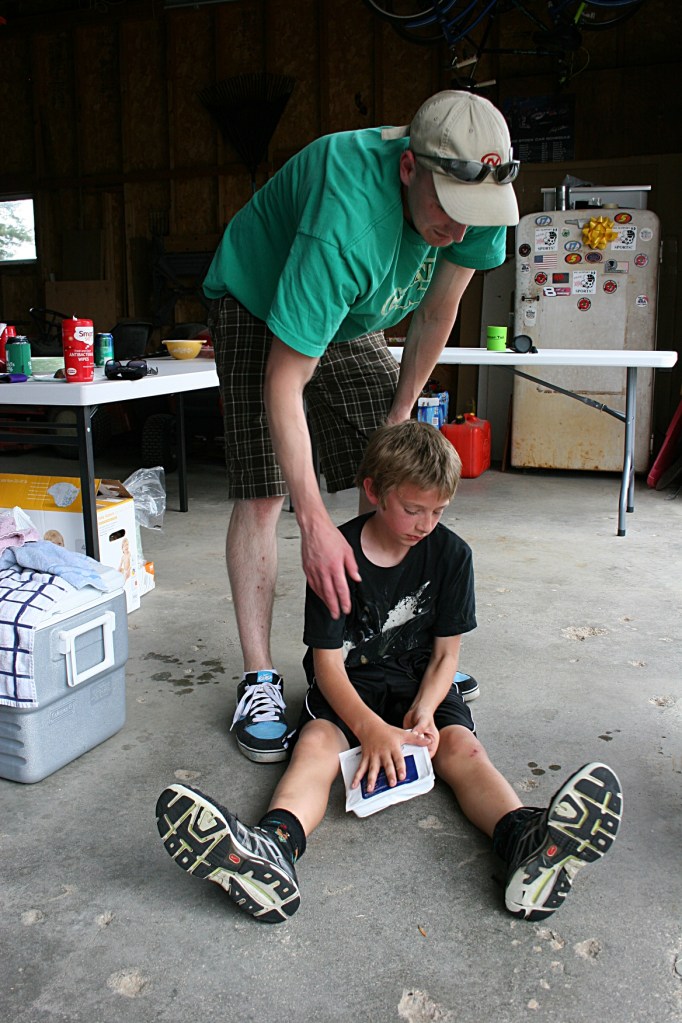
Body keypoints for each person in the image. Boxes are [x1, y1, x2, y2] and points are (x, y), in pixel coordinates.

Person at [156, 421, 622, 925]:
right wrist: (371, 729)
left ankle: (526, 841)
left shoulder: (453, 555)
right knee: (314, 747)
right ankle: (274, 847)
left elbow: (447, 656)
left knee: (463, 749)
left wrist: (424, 709)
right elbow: (328, 665)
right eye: (413, 509)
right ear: (374, 491)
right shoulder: (335, 554)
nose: (425, 524)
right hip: (350, 686)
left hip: (420, 682)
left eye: (439, 511)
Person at [204, 89, 520, 763]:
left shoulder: (481, 197)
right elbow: (285, 380)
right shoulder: (345, 222)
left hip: (349, 315)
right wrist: (314, 520)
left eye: (476, 217)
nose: (460, 230)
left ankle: (382, 651)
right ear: (410, 168)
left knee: (390, 465)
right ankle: (260, 677)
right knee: (266, 491)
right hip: (260, 296)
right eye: (448, 210)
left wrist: (400, 415)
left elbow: (437, 313)